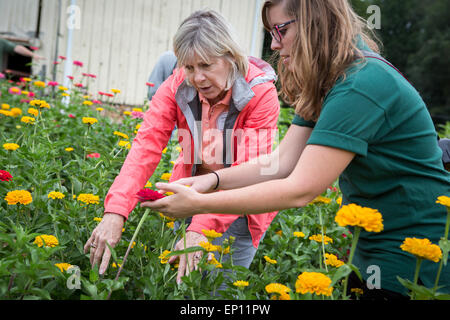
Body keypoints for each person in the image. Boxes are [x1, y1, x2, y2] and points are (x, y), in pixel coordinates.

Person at [143, 0, 450, 300]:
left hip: (415, 255)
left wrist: (200, 204)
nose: (274, 45)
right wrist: (211, 182)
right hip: (372, 248)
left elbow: (300, 189)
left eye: (280, 31)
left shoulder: (360, 84)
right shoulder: (329, 83)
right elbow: (281, 163)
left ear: (315, 23)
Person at [84, 9, 280, 287]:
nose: (197, 78)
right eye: (189, 67)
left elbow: (250, 172)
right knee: (176, 289)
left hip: (240, 207)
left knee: (219, 291)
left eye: (206, 65)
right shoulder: (176, 84)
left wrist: (201, 230)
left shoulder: (260, 93)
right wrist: (115, 211)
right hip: (188, 194)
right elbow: (146, 146)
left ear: (230, 57)